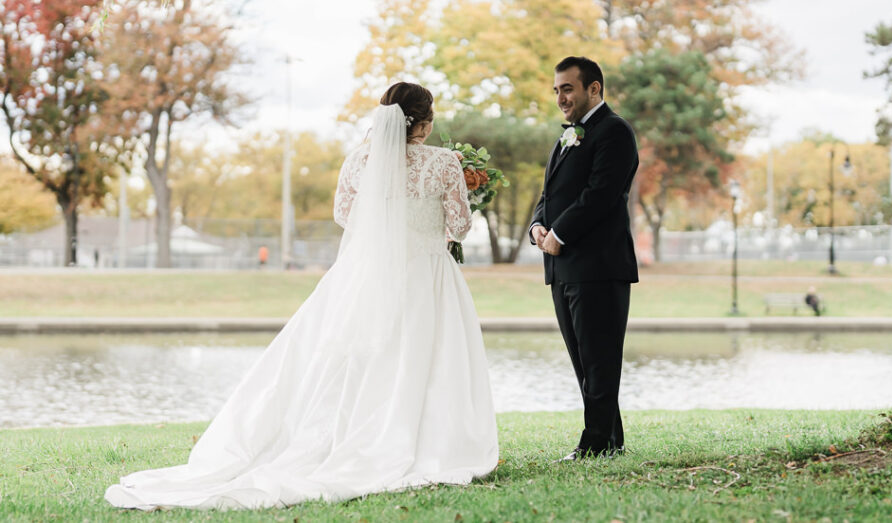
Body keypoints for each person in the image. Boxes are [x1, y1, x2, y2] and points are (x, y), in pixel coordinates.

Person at [105, 83, 498, 510]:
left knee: (365, 357)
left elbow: (345, 215)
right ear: (423, 122)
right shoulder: (443, 163)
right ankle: (423, 440)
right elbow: (459, 228)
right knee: (427, 356)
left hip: (366, 274)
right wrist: (456, 197)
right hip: (427, 274)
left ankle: (352, 433)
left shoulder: (359, 160)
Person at [530, 56, 639, 460]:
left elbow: (601, 194)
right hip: (561, 267)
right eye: (557, 89)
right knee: (583, 361)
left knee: (600, 361)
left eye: (568, 88)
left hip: (599, 266)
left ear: (594, 88)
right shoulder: (568, 136)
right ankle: (611, 441)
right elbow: (549, 195)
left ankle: (594, 446)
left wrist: (560, 233)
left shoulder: (614, 132)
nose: (561, 97)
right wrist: (538, 227)